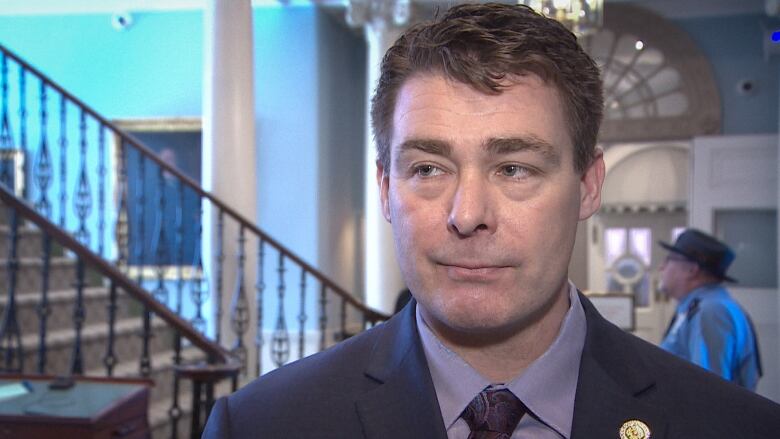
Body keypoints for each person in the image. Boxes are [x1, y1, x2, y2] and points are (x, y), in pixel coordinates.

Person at [203, 4, 780, 438]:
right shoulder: (261, 424)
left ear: (587, 184)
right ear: (385, 188)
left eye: (514, 168)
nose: (468, 215)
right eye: (429, 168)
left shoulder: (736, 427)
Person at [658, 228, 762, 390]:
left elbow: (709, 390)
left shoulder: (711, 311)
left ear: (692, 270)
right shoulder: (698, 307)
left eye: (669, 259)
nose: (661, 267)